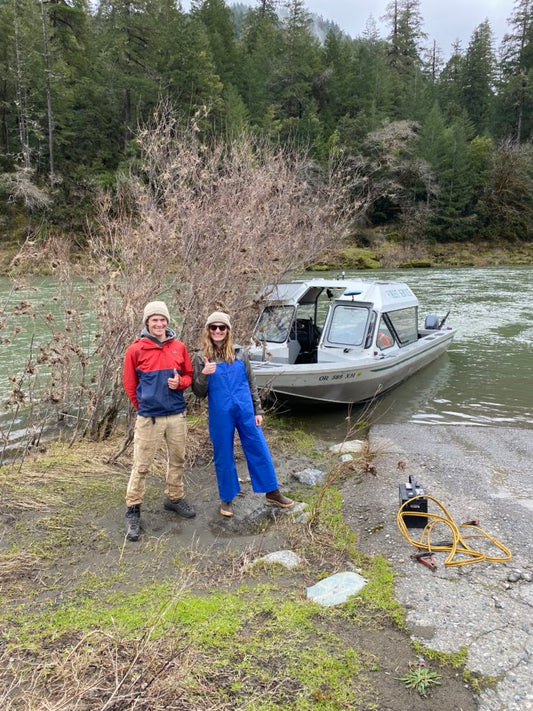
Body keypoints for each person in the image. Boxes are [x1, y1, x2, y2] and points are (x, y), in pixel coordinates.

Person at [192, 311, 294, 518]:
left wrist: (258, 409)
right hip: (220, 413)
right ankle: (226, 498)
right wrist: (204, 375)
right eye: (214, 327)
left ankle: (272, 491)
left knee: (258, 446)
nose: (218, 331)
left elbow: (251, 383)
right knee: (223, 453)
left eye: (222, 327)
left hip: (245, 409)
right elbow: (198, 392)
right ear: (208, 331)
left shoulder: (241, 353)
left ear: (228, 330)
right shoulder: (200, 357)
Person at [123, 301, 195, 541]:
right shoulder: (135, 350)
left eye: (162, 319)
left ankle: (174, 498)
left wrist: (181, 384)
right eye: (154, 320)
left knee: (177, 460)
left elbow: (189, 376)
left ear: (167, 321)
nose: (159, 323)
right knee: (141, 465)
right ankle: (133, 510)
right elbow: (130, 385)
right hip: (149, 418)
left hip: (176, 414)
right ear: (147, 322)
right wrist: (143, 406)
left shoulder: (179, 347)